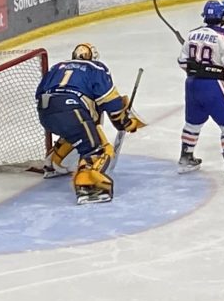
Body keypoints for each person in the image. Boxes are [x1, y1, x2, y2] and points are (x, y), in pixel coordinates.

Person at [37, 44, 145, 204]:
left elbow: (40, 93)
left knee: (77, 134)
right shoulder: (96, 68)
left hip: (45, 113)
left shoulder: (57, 67)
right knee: (96, 149)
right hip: (72, 110)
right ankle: (88, 188)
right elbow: (111, 103)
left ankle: (54, 163)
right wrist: (125, 122)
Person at [177, 1, 224, 183]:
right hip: (213, 85)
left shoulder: (192, 34)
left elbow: (182, 62)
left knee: (192, 123)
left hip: (192, 84)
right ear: (223, 17)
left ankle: (186, 159)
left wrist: (198, 71)